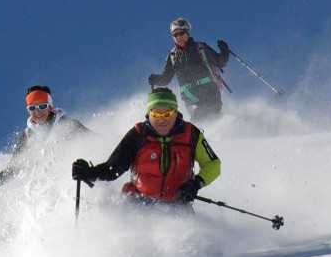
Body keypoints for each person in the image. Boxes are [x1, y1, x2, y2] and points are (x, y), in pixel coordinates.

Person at [71, 87, 221, 205]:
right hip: (139, 202)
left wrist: (195, 184)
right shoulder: (138, 135)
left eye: (167, 114)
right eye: (156, 114)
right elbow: (113, 169)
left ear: (176, 112)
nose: (162, 120)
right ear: (149, 114)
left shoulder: (191, 134)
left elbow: (213, 164)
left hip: (178, 204)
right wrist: (88, 172)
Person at [0, 85, 91, 195]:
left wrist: (89, 167)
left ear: (50, 107)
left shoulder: (67, 125)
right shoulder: (27, 136)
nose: (37, 111)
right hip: (48, 191)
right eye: (32, 108)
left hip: (78, 182)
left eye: (42, 106)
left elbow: (95, 142)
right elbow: (14, 169)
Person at [148, 18, 230, 122]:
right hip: (191, 98)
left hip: (210, 93)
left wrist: (224, 50)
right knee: (198, 117)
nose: (179, 37)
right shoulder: (172, 55)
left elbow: (220, 62)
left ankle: (229, 130)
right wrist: (155, 79)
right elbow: (166, 78)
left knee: (209, 117)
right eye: (175, 35)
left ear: (187, 32)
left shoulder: (200, 48)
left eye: (181, 33)